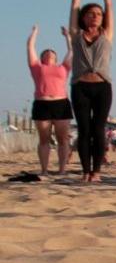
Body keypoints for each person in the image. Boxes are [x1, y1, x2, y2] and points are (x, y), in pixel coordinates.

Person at [68, 0, 115, 182]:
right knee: (84, 130)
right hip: (80, 87)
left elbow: (110, 6)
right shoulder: (76, 35)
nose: (95, 16)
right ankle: (85, 171)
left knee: (98, 129)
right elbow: (74, 6)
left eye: (98, 14)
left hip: (102, 87)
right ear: (84, 18)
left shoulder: (107, 35)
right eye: (90, 13)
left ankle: (96, 172)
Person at [26, 25, 74, 175]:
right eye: (46, 52)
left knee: (63, 139)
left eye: (52, 52)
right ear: (42, 57)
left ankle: (62, 170)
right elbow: (30, 47)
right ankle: (44, 170)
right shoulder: (36, 67)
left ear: (56, 57)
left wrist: (67, 36)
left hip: (61, 104)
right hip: (42, 104)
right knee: (44, 139)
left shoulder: (63, 67)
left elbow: (72, 51)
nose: (49, 53)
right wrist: (34, 33)